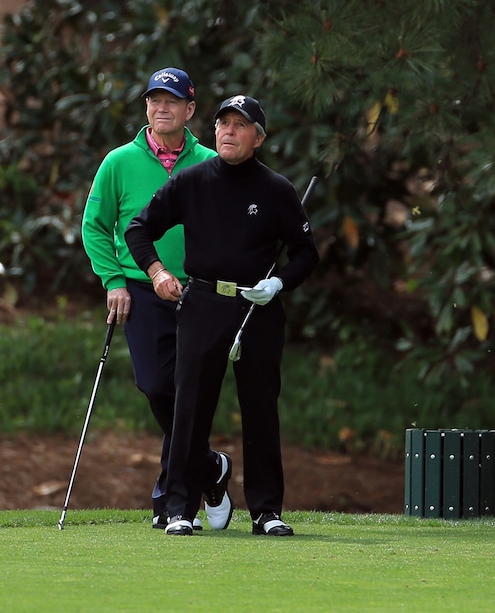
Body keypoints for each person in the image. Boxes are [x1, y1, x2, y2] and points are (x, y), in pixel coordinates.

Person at [125, 95, 319, 536]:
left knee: (260, 408)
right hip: (204, 304)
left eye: (239, 125)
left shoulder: (277, 190)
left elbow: (307, 253)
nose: (228, 131)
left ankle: (267, 511)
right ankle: (179, 507)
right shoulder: (192, 181)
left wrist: (279, 283)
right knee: (189, 408)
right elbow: (139, 227)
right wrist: (156, 271)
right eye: (223, 124)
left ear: (258, 137)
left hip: (259, 307)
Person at [81, 67, 232, 531]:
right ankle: (209, 467)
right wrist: (113, 281)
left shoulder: (212, 161)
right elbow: (95, 226)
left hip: (199, 293)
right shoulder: (118, 162)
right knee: (156, 386)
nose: (161, 107)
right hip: (141, 291)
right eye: (154, 99)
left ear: (190, 110)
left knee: (190, 391)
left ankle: (170, 500)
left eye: (171, 100)